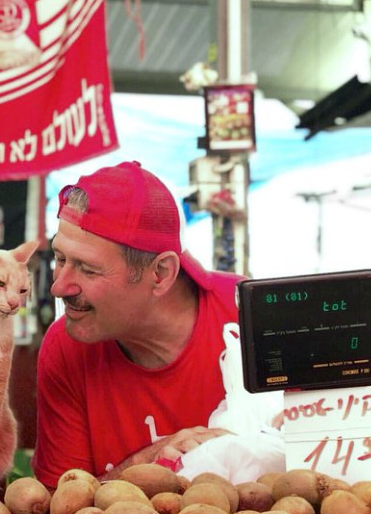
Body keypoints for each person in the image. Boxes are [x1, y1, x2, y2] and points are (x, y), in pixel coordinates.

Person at [31, 161, 244, 490]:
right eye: (60, 259)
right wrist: (143, 465)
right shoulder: (65, 347)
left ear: (160, 274)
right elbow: (56, 511)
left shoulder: (247, 315)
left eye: (87, 269)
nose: (59, 287)